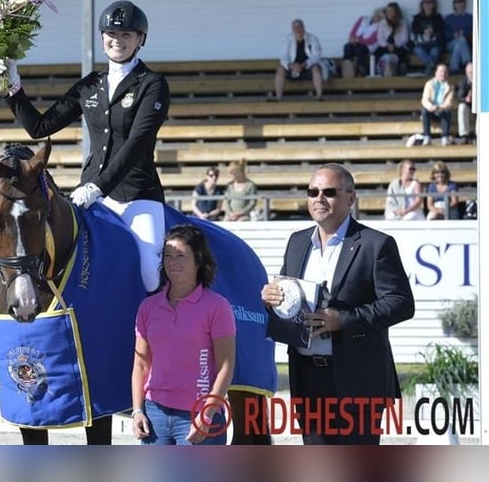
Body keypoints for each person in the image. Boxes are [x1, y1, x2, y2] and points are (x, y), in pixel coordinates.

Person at [0, 0, 170, 293]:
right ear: (102, 39)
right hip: (92, 196)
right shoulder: (90, 85)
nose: (118, 41)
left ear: (140, 40)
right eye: (112, 34)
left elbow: (138, 142)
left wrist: (97, 187)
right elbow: (40, 127)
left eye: (127, 34)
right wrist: (13, 86)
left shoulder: (152, 84)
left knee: (150, 272)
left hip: (137, 195)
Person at [261, 163, 414, 445]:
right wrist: (273, 298)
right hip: (306, 376)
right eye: (313, 191)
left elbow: (401, 303)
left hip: (357, 378)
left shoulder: (375, 244)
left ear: (351, 198)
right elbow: (291, 298)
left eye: (329, 192)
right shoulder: (296, 242)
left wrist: (342, 320)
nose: (319, 198)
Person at [130, 224, 236, 445]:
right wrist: (137, 411)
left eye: (180, 255)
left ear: (198, 261)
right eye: (168, 255)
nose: (172, 262)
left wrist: (207, 415)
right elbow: (140, 365)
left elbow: (225, 366)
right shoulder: (148, 307)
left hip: (198, 415)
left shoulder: (217, 306)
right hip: (154, 416)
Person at [274, 19, 324, 101]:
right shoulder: (288, 39)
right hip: (293, 69)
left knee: (316, 69)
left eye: (299, 27)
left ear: (304, 27)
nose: (298, 30)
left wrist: (303, 65)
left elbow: (316, 56)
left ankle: (319, 96)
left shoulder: (313, 38)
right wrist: (291, 66)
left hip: (307, 68)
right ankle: (278, 97)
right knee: (280, 70)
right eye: (295, 28)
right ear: (292, 30)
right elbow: (283, 57)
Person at [341, 8, 383, 78]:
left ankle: (360, 70)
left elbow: (372, 40)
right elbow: (354, 29)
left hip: (367, 46)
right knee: (347, 47)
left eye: (380, 17)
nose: (377, 18)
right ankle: (348, 68)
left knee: (358, 49)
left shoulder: (380, 26)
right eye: (377, 15)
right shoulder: (363, 19)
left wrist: (357, 40)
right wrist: (352, 37)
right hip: (355, 42)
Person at [420, 63, 455, 146]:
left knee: (447, 111)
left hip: (442, 110)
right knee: (424, 110)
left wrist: (439, 107)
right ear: (436, 73)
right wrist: (431, 107)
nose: (443, 74)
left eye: (445, 72)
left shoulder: (450, 87)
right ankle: (427, 136)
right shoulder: (429, 84)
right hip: (431, 110)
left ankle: (445, 137)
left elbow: (449, 102)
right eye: (441, 71)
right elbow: (425, 100)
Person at [410, 0, 445, 75]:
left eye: (430, 2)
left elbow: (441, 28)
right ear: (422, 5)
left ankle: (430, 69)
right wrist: (423, 31)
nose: (428, 4)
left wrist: (433, 30)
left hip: (434, 44)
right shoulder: (417, 17)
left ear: (434, 4)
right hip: (420, 44)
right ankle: (432, 66)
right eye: (425, 2)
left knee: (435, 52)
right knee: (418, 50)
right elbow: (414, 29)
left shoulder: (438, 17)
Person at [373, 2, 410, 76]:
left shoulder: (402, 23)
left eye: (391, 11)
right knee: (376, 53)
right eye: (387, 11)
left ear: (396, 12)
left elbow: (405, 38)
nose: (389, 13)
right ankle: (375, 71)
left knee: (403, 53)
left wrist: (395, 45)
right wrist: (387, 45)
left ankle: (401, 70)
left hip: (398, 46)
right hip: (386, 45)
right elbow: (380, 38)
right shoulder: (382, 23)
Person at [444, 0, 472, 74]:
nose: (458, 3)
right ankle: (468, 63)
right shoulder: (449, 18)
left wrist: (463, 34)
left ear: (464, 3)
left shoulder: (470, 18)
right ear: (454, 4)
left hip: (465, 43)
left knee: (459, 44)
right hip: (450, 43)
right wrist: (454, 35)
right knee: (460, 41)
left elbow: (474, 31)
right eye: (456, 1)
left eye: (461, 1)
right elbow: (444, 34)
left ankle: (453, 69)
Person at [455, 61, 473, 144]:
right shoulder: (463, 82)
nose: (471, 74)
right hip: (469, 105)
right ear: (466, 73)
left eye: (473, 72)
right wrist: (466, 99)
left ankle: (480, 134)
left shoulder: (483, 81)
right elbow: (460, 97)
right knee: (462, 107)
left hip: (479, 106)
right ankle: (464, 135)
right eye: (470, 73)